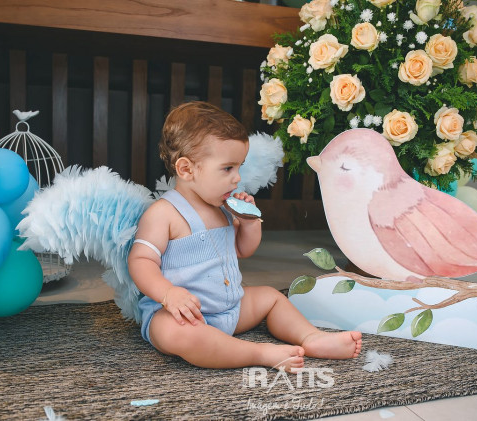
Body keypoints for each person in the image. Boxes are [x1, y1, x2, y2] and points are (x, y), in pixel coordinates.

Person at [128, 101, 361, 372]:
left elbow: (242, 250)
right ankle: (259, 353)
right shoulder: (163, 213)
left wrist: (249, 224)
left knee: (271, 297)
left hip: (231, 308)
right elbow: (141, 260)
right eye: (227, 168)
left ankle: (311, 337)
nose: (237, 178)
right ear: (187, 169)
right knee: (176, 333)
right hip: (183, 315)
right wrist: (168, 294)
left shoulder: (223, 207)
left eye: (239, 167)